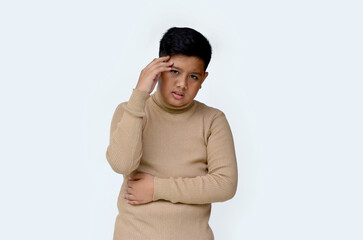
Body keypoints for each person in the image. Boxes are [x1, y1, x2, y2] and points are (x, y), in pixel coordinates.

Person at [106, 26, 238, 240]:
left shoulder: (212, 120)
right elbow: (121, 164)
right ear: (158, 69)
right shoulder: (130, 111)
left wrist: (156, 188)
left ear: (203, 79)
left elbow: (225, 185)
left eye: (193, 76)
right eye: (174, 72)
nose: (182, 84)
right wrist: (140, 94)